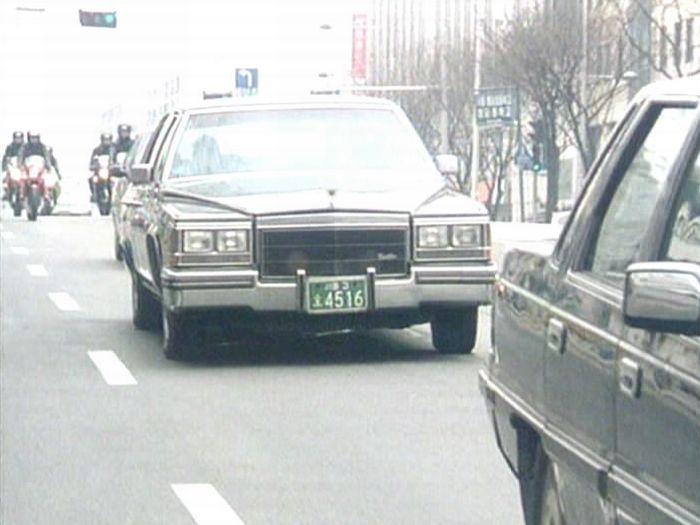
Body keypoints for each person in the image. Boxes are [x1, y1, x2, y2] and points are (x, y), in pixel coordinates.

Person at [88, 132, 114, 201]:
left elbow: (116, 159)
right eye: (105, 140)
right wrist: (93, 166)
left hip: (110, 172)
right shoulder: (97, 150)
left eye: (108, 140)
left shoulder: (113, 150)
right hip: (99, 171)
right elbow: (92, 161)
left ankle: (113, 195)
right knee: (91, 179)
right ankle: (94, 193)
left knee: (114, 180)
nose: (107, 142)